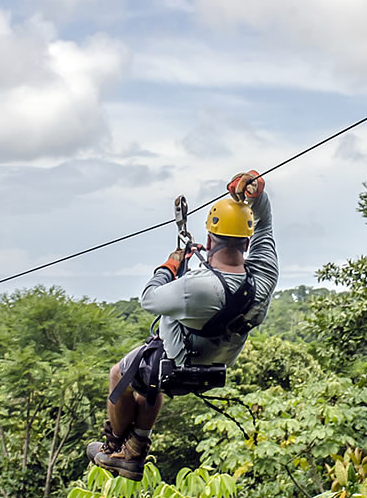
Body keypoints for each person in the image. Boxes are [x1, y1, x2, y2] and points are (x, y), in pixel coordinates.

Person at [87, 170, 279, 480]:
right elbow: (266, 225)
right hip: (219, 360)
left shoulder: (196, 288)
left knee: (120, 374)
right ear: (247, 240)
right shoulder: (264, 277)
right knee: (148, 384)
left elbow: (149, 298)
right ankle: (136, 449)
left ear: (209, 238)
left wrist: (171, 266)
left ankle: (114, 450)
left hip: (181, 358)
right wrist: (256, 196)